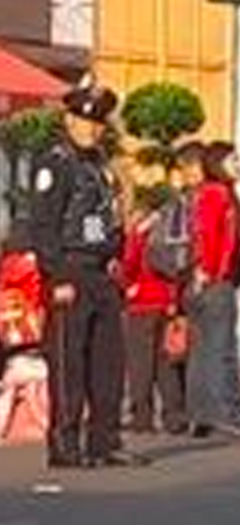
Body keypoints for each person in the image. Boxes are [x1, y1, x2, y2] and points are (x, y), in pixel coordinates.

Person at [27, 82, 142, 469]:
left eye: (97, 123)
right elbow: (43, 226)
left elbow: (109, 218)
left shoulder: (100, 165)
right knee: (68, 361)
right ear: (68, 120)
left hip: (101, 272)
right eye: (84, 121)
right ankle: (64, 442)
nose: (91, 129)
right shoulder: (54, 163)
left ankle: (104, 441)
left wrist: (116, 256)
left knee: (108, 362)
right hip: (69, 269)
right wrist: (57, 275)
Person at [186, 141, 240, 438]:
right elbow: (209, 235)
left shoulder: (207, 194)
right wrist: (208, 270)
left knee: (202, 349)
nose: (239, 165)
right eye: (233, 160)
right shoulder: (218, 194)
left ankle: (201, 414)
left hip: (205, 280)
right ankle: (222, 413)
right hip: (215, 280)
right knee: (219, 348)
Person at [121, 179, 188, 437]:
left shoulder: (140, 232)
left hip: (141, 303)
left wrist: (123, 283)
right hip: (165, 301)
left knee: (140, 364)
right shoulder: (170, 228)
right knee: (166, 364)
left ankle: (142, 417)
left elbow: (129, 265)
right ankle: (174, 415)